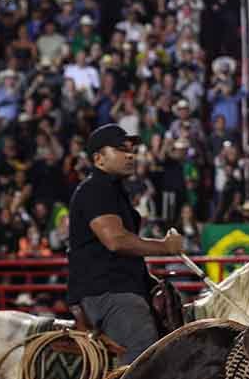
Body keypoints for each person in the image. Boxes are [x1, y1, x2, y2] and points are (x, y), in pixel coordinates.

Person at [66, 123, 183, 366]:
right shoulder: (95, 190)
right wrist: (165, 247)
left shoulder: (114, 191)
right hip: (108, 292)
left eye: (132, 149)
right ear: (98, 158)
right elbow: (116, 241)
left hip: (120, 286)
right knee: (144, 355)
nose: (130, 154)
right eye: (121, 149)